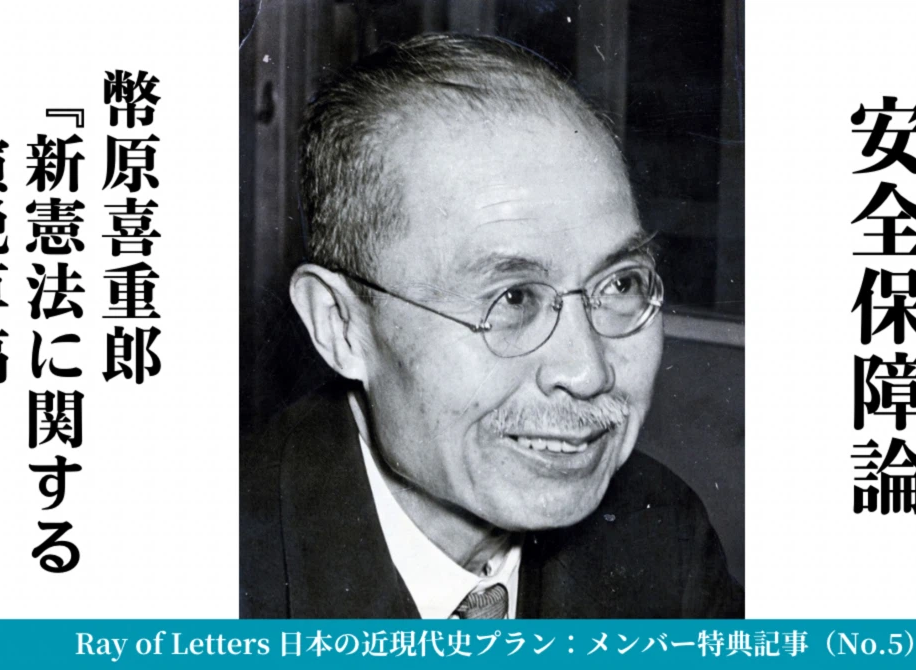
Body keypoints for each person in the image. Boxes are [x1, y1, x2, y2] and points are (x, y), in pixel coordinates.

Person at [241, 33, 743, 619]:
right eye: (513, 298)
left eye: (620, 283)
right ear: (341, 326)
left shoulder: (662, 538)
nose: (588, 371)